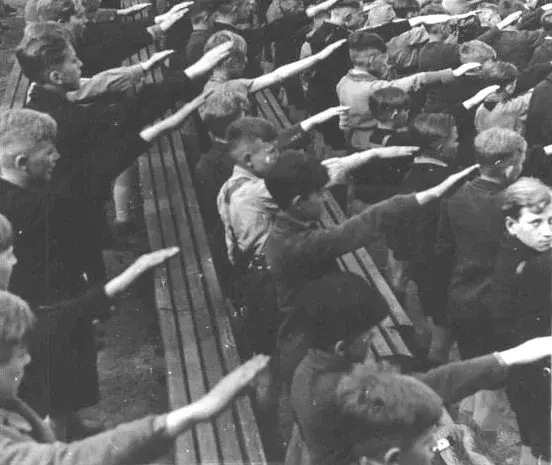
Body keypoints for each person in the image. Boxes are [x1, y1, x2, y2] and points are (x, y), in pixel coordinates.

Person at [0, 99, 208, 437]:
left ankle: (69, 422)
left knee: (68, 374)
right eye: (48, 152)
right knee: (49, 378)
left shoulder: (28, 187)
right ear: (22, 162)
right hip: (42, 304)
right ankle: (57, 436)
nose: (57, 157)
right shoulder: (23, 206)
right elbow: (89, 177)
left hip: (61, 290)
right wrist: (151, 133)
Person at [283, 271, 552, 465]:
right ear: (341, 347)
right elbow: (428, 385)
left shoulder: (308, 368)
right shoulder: (338, 390)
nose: (374, 338)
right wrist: (508, 357)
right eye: (368, 333)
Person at [0, 287, 269, 465]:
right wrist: (192, 412)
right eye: (20, 353)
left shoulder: (11, 406)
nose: (28, 359)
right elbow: (66, 460)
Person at [263, 147, 478, 313]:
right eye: (319, 193)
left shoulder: (286, 226)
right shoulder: (300, 244)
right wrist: (430, 194)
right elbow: (360, 226)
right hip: (307, 323)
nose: (324, 196)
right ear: (298, 202)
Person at [490, 177, 551, 465]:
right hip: (536, 367)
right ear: (511, 225)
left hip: (523, 365)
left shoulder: (511, 251)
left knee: (531, 435)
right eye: (536, 223)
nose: (548, 232)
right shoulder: (538, 266)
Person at [336, 29, 480, 151]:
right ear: (371, 59)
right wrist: (452, 73)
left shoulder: (343, 83)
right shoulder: (372, 89)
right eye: (383, 58)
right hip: (379, 145)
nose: (386, 63)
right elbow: (411, 82)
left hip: (356, 142)